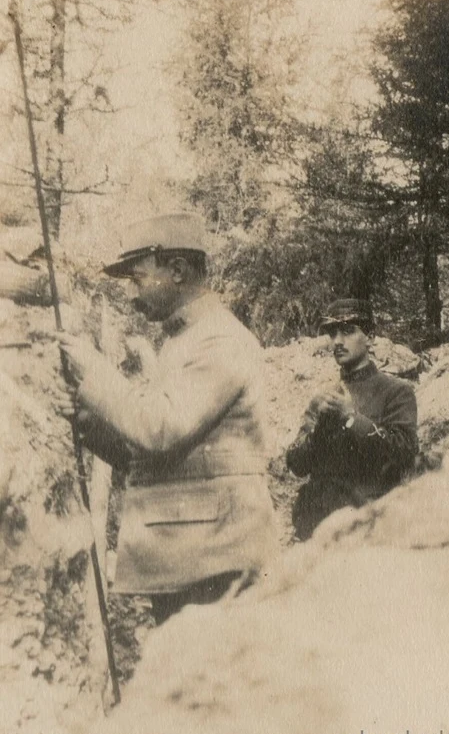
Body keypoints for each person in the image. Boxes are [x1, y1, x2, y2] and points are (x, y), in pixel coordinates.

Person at [56, 213, 278, 625]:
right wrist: (88, 420)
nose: (131, 295)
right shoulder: (182, 342)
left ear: (176, 270)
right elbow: (150, 460)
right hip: (190, 556)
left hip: (217, 559)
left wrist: (96, 372)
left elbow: (161, 429)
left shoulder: (221, 340)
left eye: (137, 278)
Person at [286, 298, 418, 541]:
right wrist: (319, 428)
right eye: (332, 333)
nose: (337, 341)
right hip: (317, 524)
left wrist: (352, 418)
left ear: (370, 337)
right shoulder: (324, 398)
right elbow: (296, 464)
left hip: (368, 524)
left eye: (347, 331)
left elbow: (405, 453)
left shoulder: (396, 392)